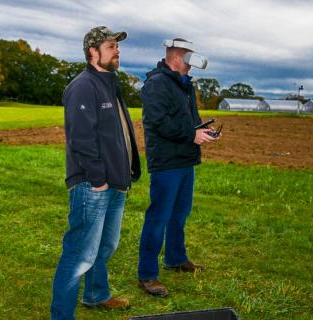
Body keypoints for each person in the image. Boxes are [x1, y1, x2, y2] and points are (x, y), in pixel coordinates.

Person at [51, 26, 141, 319]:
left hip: (115, 183)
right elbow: (81, 139)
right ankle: (62, 315)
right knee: (79, 253)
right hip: (93, 185)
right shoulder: (83, 86)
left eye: (117, 46)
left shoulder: (109, 83)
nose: (118, 50)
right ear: (93, 51)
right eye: (112, 45)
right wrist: (99, 179)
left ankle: (96, 294)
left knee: (105, 246)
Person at [138, 38, 218, 297]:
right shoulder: (156, 84)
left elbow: (188, 121)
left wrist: (202, 130)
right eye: (189, 56)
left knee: (179, 213)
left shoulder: (185, 85)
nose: (193, 61)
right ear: (177, 56)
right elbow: (158, 122)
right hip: (166, 162)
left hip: (185, 159)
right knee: (158, 216)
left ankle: (176, 258)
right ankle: (148, 275)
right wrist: (191, 135)